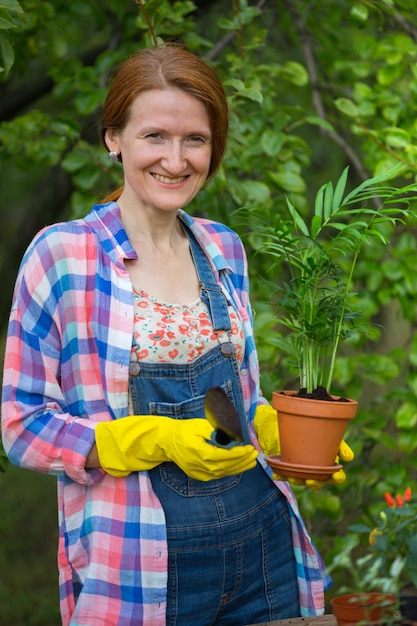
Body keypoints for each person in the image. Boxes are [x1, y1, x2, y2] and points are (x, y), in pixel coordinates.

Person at [1, 44, 353, 626]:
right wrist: (148, 440)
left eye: (196, 139)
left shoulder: (223, 248)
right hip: (139, 567)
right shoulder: (63, 256)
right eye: (155, 136)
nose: (176, 159)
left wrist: (280, 430)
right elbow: (21, 426)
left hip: (263, 551)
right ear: (113, 138)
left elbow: (245, 398)